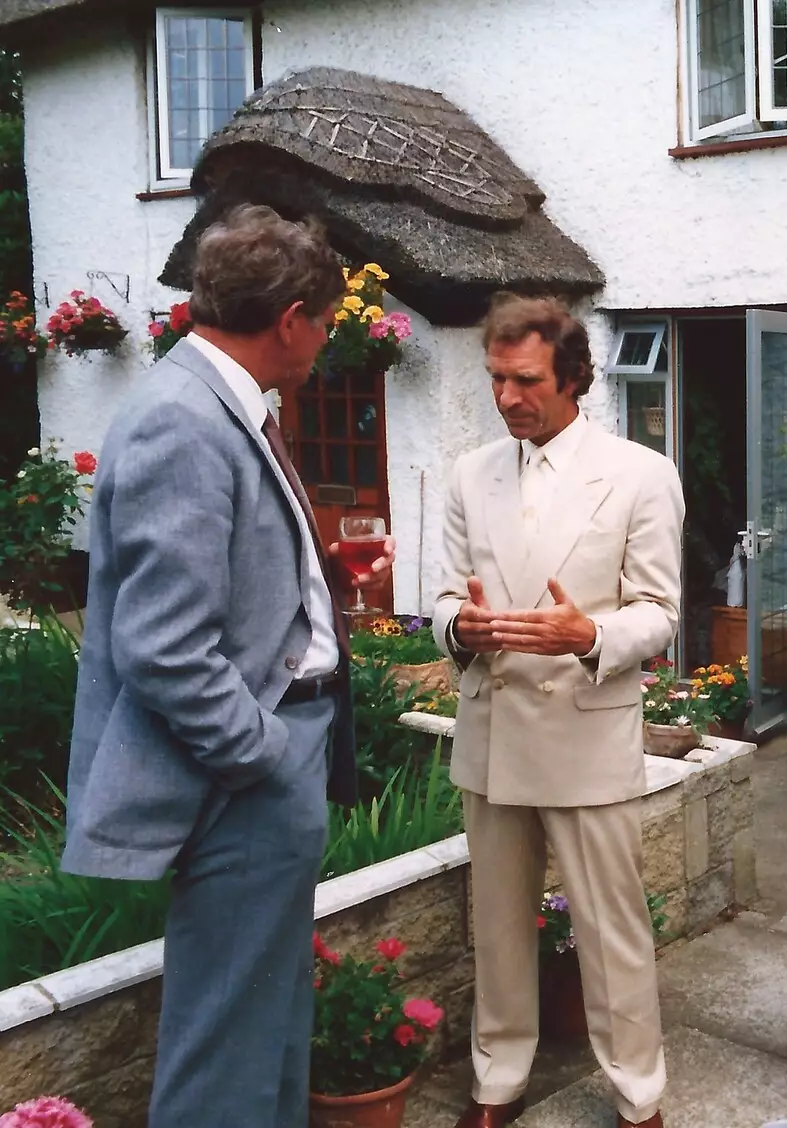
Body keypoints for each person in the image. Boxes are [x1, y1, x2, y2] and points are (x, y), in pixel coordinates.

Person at [60, 204, 393, 1128]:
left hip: (270, 765)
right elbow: (163, 649)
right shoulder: (184, 421)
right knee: (225, 1054)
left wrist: (319, 578)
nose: (327, 343)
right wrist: (264, 755)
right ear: (291, 319)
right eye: (327, 323)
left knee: (269, 1024)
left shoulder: (220, 405)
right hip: (241, 780)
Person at [433, 295, 683, 1128]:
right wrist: (454, 626)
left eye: (525, 380)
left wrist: (589, 635)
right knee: (496, 930)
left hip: (583, 729)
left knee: (612, 935)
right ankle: (495, 1081)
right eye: (496, 379)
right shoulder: (471, 473)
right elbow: (442, 596)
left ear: (572, 375)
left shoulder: (640, 474)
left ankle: (638, 1094)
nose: (507, 397)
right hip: (494, 732)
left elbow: (659, 610)